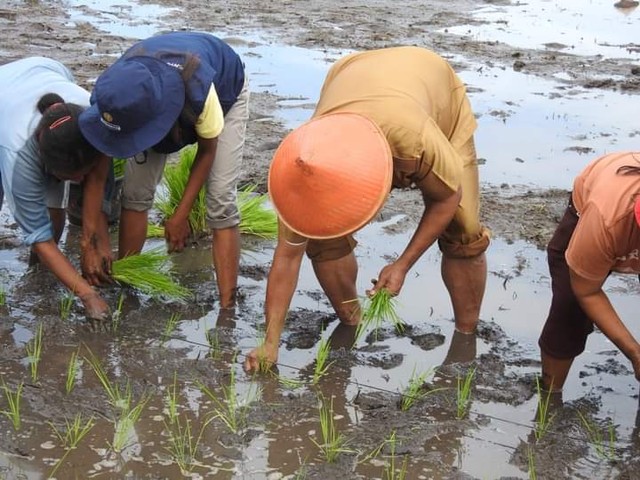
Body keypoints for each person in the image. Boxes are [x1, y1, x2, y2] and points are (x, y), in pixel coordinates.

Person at [244, 46, 490, 371]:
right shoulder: (301, 166)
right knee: (320, 232)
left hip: (430, 82)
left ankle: (465, 341)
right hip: (349, 72)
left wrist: (402, 264)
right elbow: (287, 257)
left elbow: (447, 198)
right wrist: (270, 342)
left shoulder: (414, 138)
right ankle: (352, 319)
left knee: (464, 230)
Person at [78, 31, 249, 309]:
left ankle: (228, 309)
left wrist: (180, 215)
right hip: (147, 98)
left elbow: (208, 151)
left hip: (223, 91)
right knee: (134, 192)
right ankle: (127, 283)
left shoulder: (197, 86)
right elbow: (99, 168)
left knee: (220, 202)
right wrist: (91, 243)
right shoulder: (114, 96)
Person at [0, 57, 111, 320]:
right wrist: (88, 295)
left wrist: (91, 241)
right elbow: (39, 236)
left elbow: (96, 177)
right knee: (39, 228)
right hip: (5, 107)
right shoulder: (19, 155)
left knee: (54, 212)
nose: (82, 180)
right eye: (74, 176)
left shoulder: (91, 121)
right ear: (46, 164)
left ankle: (40, 274)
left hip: (44, 68)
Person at [539, 151, 640, 393]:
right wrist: (634, 353)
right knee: (569, 306)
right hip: (595, 198)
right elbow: (587, 291)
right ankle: (550, 397)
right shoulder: (606, 218)